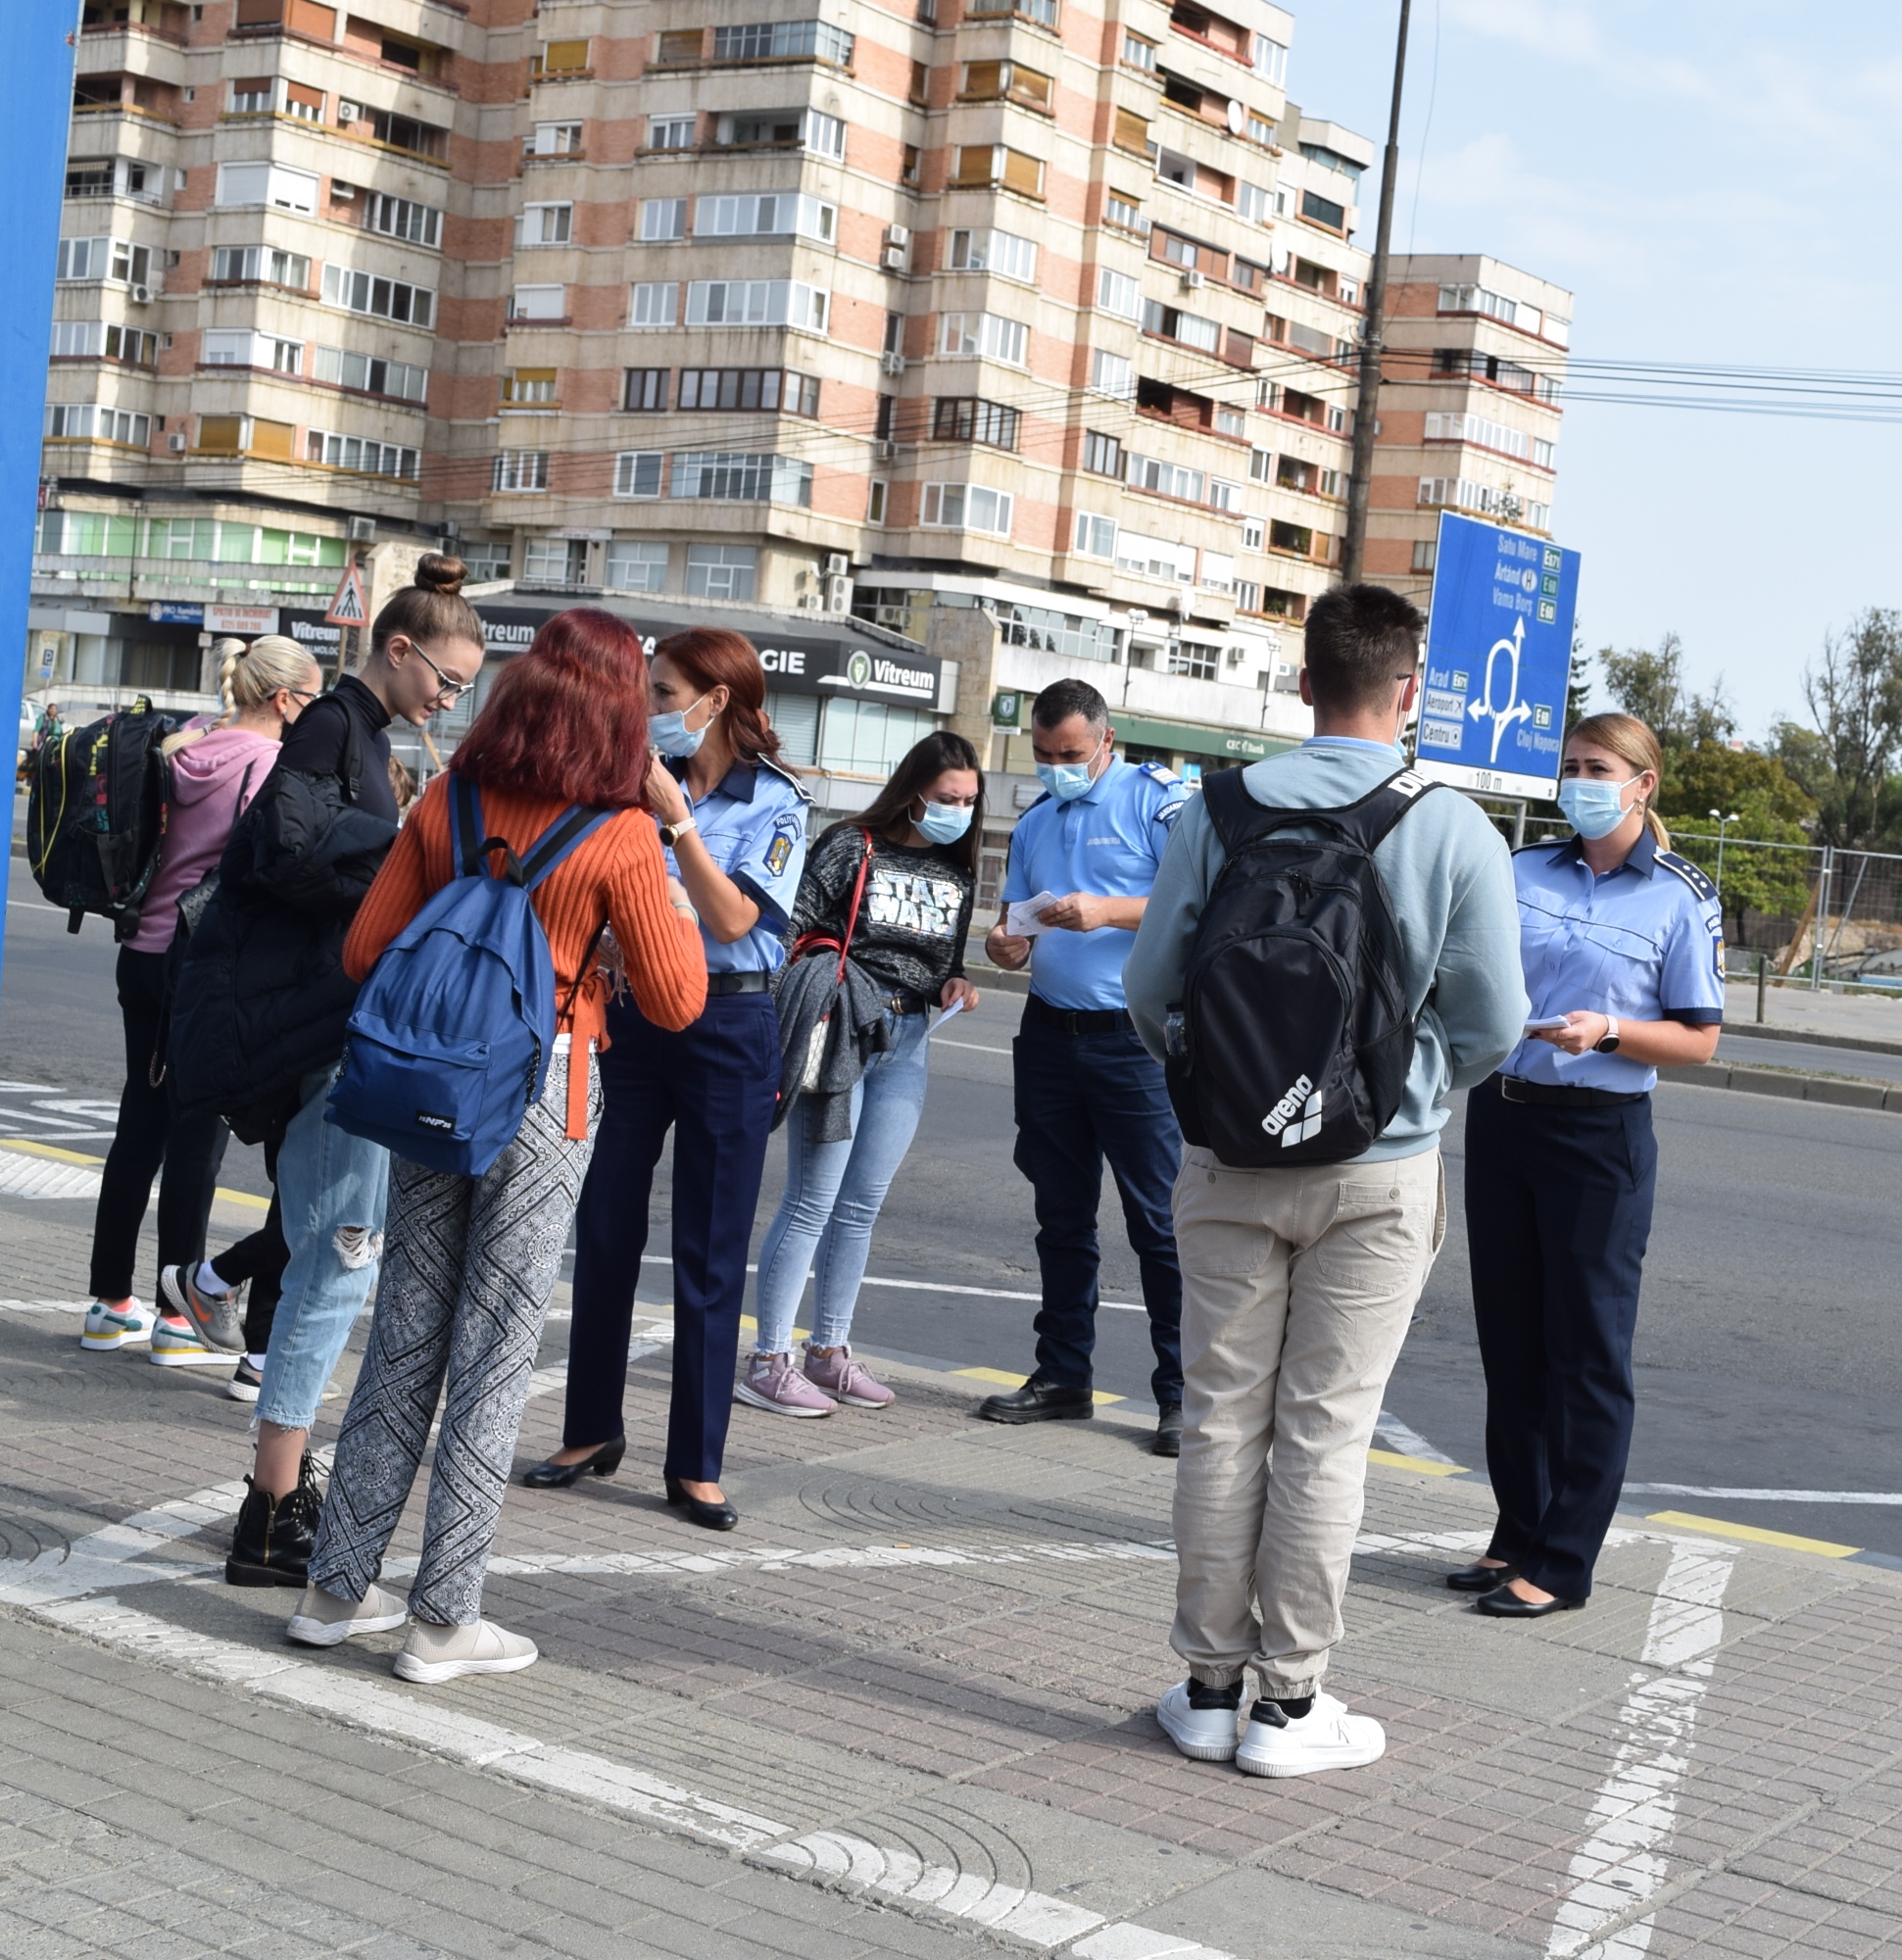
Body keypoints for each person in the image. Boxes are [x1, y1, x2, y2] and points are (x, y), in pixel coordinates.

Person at [1124, 582, 1526, 1777]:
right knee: (1325, 1433)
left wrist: (1232, 1087)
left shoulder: (1219, 805)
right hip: (1378, 1166)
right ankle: (1292, 1707)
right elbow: (1496, 1018)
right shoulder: (1453, 825)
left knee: (1219, 1416)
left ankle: (1205, 1687)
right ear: (1408, 692)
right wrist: (1410, 1084)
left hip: (1228, 1157)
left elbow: (1152, 993)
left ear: (1303, 683)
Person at [291, 609, 706, 1681]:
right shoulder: (617, 831)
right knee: (498, 1340)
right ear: (620, 712)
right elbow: (677, 994)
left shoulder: (449, 797)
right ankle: (442, 1620)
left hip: (432, 1082)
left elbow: (366, 947)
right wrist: (632, 891)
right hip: (547, 1085)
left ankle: (335, 1589)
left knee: (407, 1321)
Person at [167, 555, 485, 1588]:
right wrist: (402, 840)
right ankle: (269, 1504)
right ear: (397, 649)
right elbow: (285, 848)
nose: (449, 697)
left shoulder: (362, 730)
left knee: (325, 1255)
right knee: (337, 1262)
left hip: (315, 1031)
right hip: (315, 1035)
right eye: (445, 677)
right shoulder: (329, 727)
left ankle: (275, 1489)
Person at [525, 628, 809, 1531]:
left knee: (709, 1246)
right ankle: (589, 1428)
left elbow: (732, 918)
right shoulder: (625, 785)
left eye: (665, 690)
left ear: (715, 699)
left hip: (728, 1019)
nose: (650, 706)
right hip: (635, 1009)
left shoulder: (776, 802)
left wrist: (677, 825)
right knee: (604, 1221)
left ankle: (695, 1462)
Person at [1451, 712, 1723, 1618]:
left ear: (1641, 784)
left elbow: (1700, 1040)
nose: (1578, 781)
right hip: (1505, 1117)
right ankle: (1514, 1531)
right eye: (1569, 767)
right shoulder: (1522, 868)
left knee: (1586, 1353)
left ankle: (1561, 1562)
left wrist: (1607, 1030)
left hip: (1597, 1137)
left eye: (1596, 767)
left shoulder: (1678, 896)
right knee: (1511, 1344)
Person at [77, 635, 319, 1362]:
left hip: (140, 954)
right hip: (201, 968)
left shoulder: (186, 746)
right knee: (197, 1137)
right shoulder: (267, 764)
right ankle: (174, 1318)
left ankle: (107, 1303)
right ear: (283, 699)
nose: (312, 712)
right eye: (308, 699)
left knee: (138, 1127)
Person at [741, 732, 983, 1415]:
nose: (958, 811)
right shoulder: (853, 846)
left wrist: (954, 983)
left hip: (909, 1039)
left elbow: (942, 962)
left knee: (861, 1204)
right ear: (913, 792)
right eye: (946, 799)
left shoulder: (956, 868)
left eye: (968, 801)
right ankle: (768, 1359)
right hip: (842, 1029)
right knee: (812, 1200)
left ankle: (829, 1350)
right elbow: (790, 932)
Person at [976, 678, 1189, 1454]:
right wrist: (1006, 943)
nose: (1055, 766)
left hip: (1131, 1040)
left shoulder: (1152, 801)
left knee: (1158, 1224)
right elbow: (1013, 924)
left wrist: (1108, 910)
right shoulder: (1036, 821)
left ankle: (1180, 1397)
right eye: (1042, 753)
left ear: (1105, 741)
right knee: (1059, 1216)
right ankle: (1062, 1374)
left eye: (1069, 753)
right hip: (1049, 1034)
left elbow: (1199, 894)